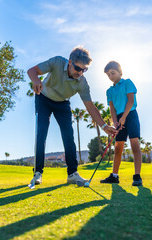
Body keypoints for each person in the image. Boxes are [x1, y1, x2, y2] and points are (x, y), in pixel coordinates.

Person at [27, 46, 117, 185]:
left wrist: (104, 126)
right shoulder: (57, 62)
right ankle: (37, 173)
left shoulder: (82, 82)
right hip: (43, 98)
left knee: (68, 136)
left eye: (84, 70)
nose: (80, 73)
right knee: (41, 133)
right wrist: (36, 81)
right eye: (77, 68)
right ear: (70, 62)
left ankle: (72, 174)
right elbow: (32, 71)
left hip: (62, 103)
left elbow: (90, 107)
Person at [100, 61, 143, 186]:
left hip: (131, 114)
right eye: (108, 75)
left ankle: (137, 176)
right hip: (119, 118)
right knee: (118, 146)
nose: (111, 76)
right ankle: (114, 176)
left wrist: (124, 117)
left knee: (134, 143)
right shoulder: (109, 91)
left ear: (120, 72)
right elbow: (112, 108)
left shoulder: (127, 82)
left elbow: (130, 101)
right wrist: (115, 122)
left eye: (113, 73)